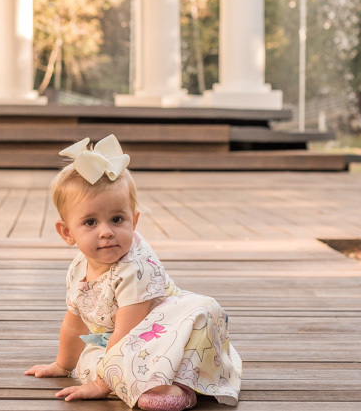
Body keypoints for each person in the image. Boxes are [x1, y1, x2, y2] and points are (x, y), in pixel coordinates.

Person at [25, 135, 242, 409]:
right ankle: (144, 382)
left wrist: (103, 384)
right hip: (124, 341)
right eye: (90, 222)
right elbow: (74, 322)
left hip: (164, 330)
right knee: (89, 360)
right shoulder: (79, 267)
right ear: (67, 233)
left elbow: (129, 334)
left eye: (117, 219)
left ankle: (178, 384)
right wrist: (62, 365)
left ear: (134, 219)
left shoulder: (134, 268)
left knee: (195, 319)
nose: (106, 231)